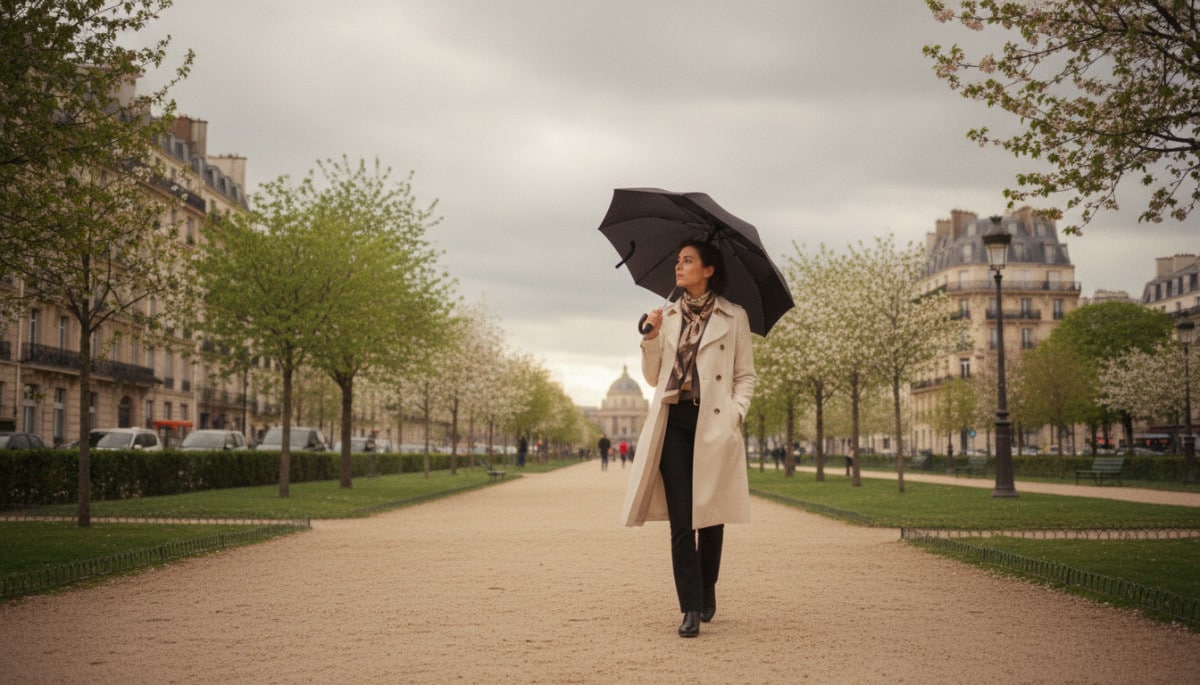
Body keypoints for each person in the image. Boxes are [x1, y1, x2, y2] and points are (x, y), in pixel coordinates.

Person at [620, 238, 757, 638]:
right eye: (677, 260)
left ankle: (706, 585)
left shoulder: (735, 316)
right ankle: (690, 607)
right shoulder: (667, 315)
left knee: (710, 516)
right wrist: (650, 337)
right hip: (674, 420)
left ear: (708, 269)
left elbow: (744, 375)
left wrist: (735, 413)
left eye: (687, 260)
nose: (678, 267)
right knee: (682, 520)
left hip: (713, 421)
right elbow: (652, 377)